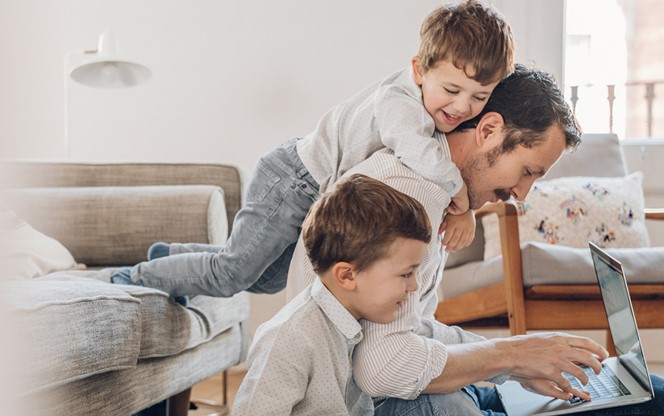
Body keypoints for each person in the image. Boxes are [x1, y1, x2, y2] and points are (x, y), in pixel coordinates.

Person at [285, 64, 664, 415]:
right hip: (383, 404)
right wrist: (512, 355)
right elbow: (383, 369)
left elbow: (416, 329)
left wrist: (518, 362)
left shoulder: (438, 194)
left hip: (415, 393)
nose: (523, 193)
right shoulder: (407, 195)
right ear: (488, 130)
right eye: (528, 171)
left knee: (652, 392)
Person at [111, 0, 515, 297]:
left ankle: (170, 254)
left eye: (479, 97)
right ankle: (138, 277)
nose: (462, 107)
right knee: (233, 273)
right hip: (290, 180)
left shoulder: (444, 113)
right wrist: (464, 204)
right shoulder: (399, 102)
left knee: (268, 279)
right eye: (451, 90)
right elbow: (422, 154)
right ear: (418, 71)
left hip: (314, 194)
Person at [232, 174, 432, 415]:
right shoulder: (290, 338)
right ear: (347, 276)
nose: (414, 286)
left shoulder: (358, 317)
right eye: (406, 274)